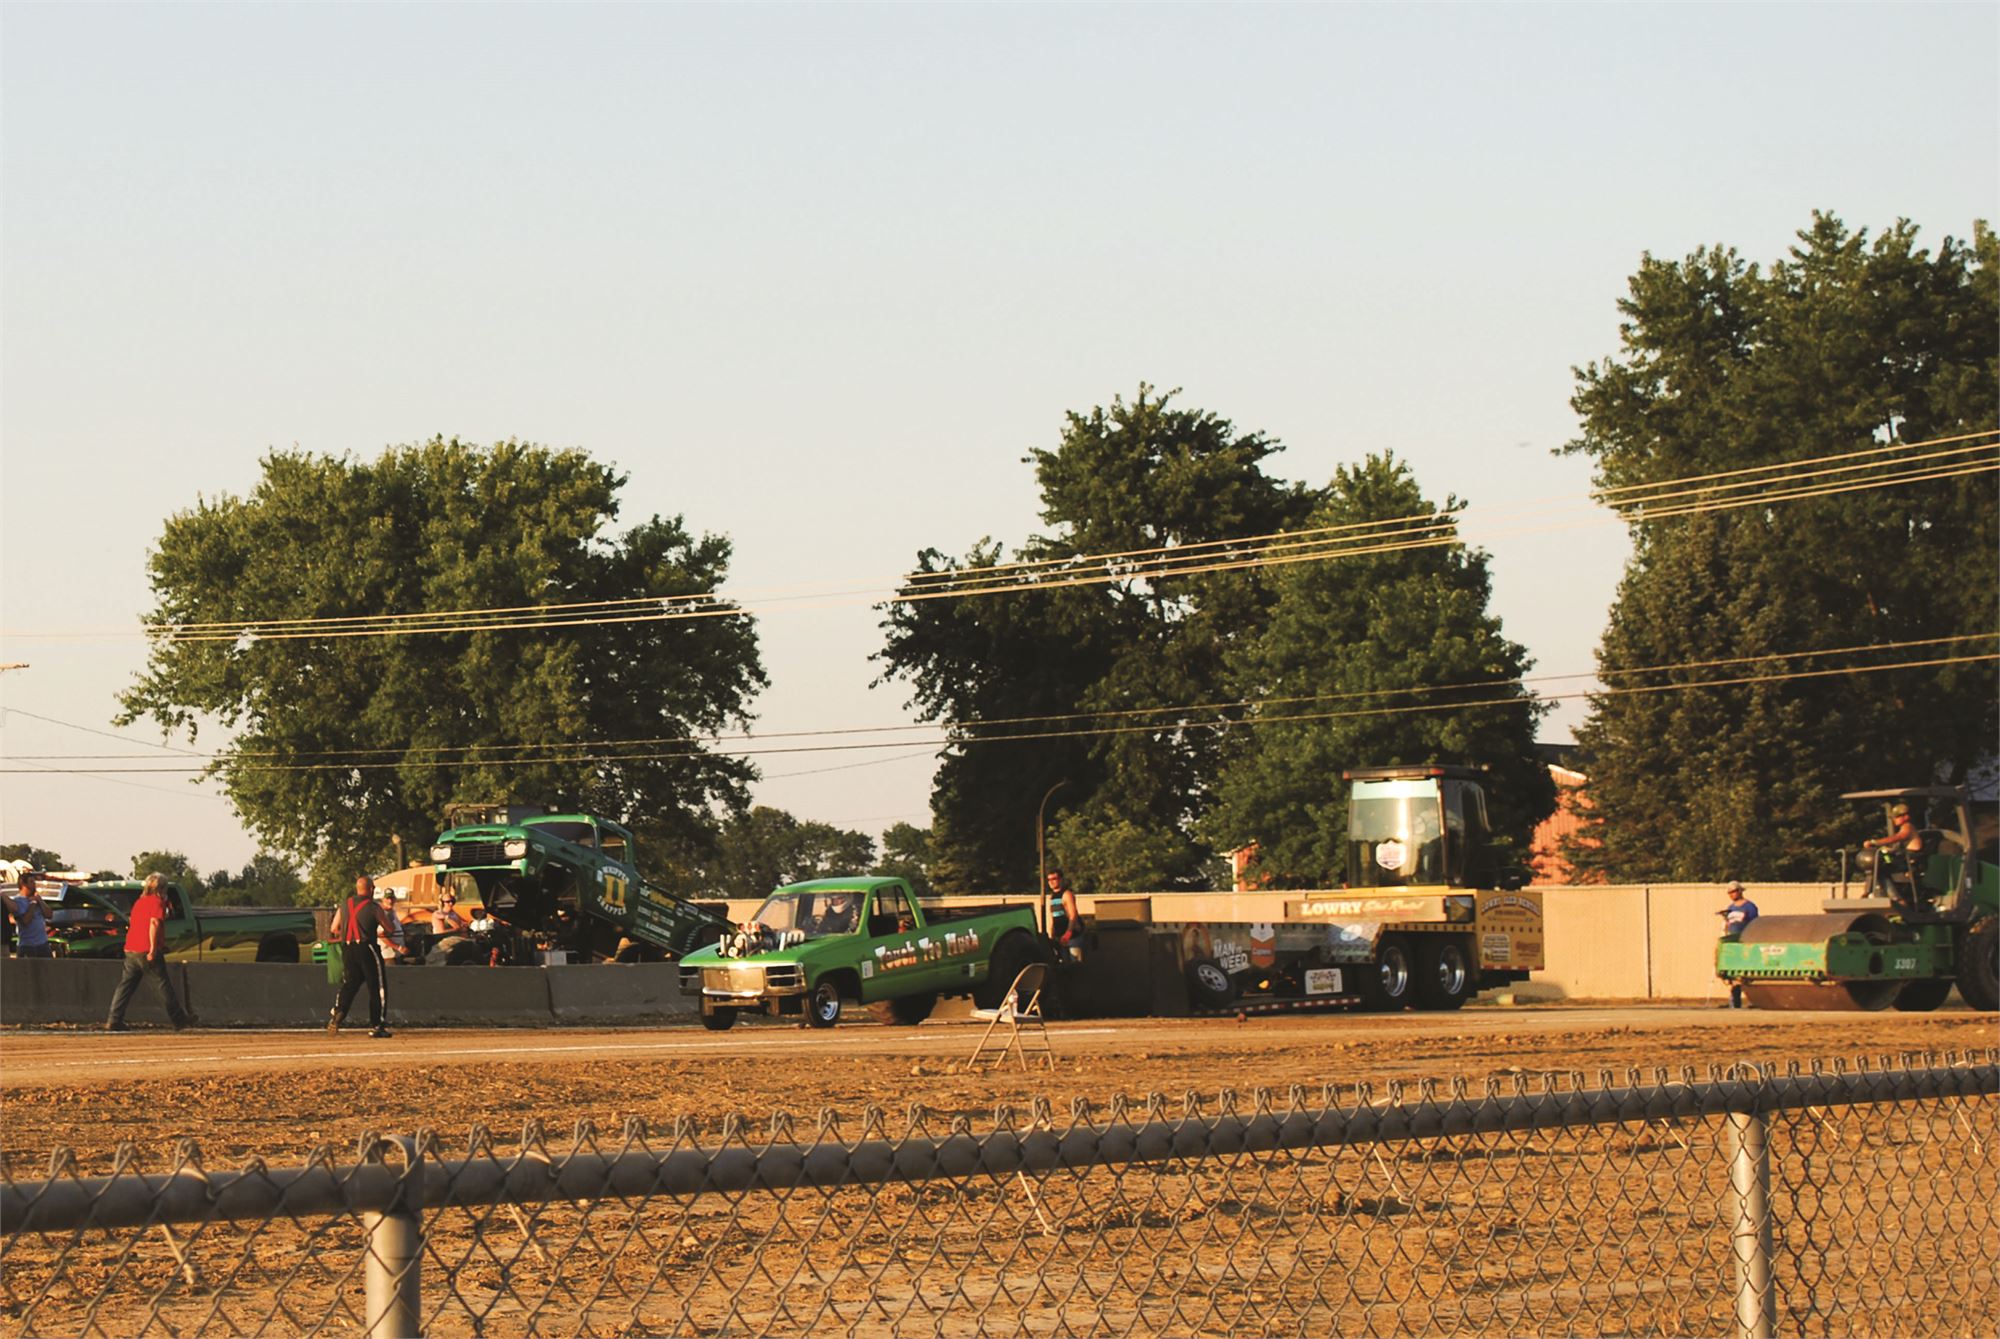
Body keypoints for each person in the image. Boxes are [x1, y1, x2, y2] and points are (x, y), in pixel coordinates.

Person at [104, 874, 195, 1030]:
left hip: (131, 948)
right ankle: (179, 1019)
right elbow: (154, 923)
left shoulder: (140, 902)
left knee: (125, 986)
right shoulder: (157, 902)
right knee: (162, 985)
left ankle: (114, 1019)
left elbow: (138, 924)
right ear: (161, 888)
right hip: (146, 949)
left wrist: (160, 944)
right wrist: (153, 948)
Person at [328, 874, 394, 1038]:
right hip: (368, 948)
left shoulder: (344, 905)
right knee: (377, 987)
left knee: (350, 983)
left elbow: (334, 928)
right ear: (371, 889)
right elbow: (390, 929)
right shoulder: (374, 907)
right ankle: (377, 1025)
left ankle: (339, 1010)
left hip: (348, 949)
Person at [1717, 880, 1759, 1008]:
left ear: (1740, 891)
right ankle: (1734, 1001)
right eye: (1730, 892)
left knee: (1747, 971)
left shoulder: (1749, 907)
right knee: (1733, 973)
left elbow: (1754, 923)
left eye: (1734, 891)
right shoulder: (1731, 908)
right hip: (1733, 940)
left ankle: (1754, 1000)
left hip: (1745, 939)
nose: (1732, 894)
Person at [6, 869, 53, 959]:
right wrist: (33, 904)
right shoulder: (17, 902)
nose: (34, 885)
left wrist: (40, 901)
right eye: (31, 882)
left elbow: (49, 915)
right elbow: (25, 921)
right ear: (23, 884)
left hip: (43, 944)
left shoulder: (37, 899)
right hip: (27, 946)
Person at [425, 889, 473, 965]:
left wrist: (467, 924)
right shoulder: (438, 914)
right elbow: (442, 931)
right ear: (442, 903)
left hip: (456, 937)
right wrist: (457, 929)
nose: (450, 903)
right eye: (448, 902)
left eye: (452, 901)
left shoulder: (454, 913)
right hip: (442, 939)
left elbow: (462, 923)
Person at [1046, 868, 1081, 961]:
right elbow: (1051, 918)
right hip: (1060, 937)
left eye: (1054, 879)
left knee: (1075, 964)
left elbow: (1073, 915)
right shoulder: (1051, 897)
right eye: (1049, 879)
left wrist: (1068, 933)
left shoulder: (1067, 894)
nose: (1051, 882)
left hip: (1072, 937)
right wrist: (1051, 935)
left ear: (1060, 879)